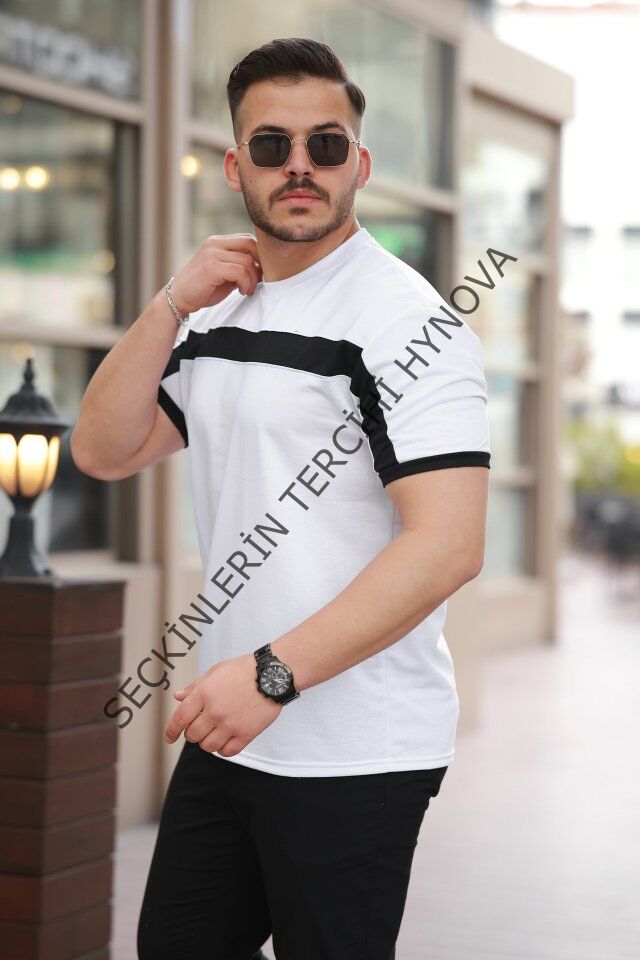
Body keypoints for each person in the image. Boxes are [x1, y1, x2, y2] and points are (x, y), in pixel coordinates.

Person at [71, 36, 490, 960]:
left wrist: (271, 675)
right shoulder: (222, 308)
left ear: (359, 166)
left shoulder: (407, 322)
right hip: (233, 729)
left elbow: (449, 544)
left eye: (325, 144)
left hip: (353, 747)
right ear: (236, 167)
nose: (300, 165)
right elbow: (103, 450)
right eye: (272, 145)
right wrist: (170, 305)